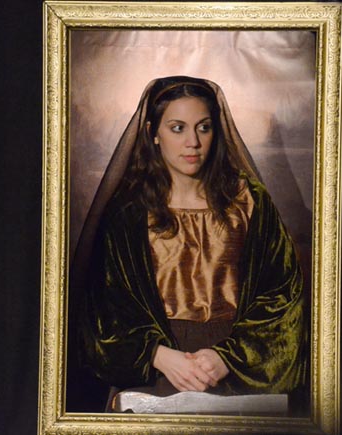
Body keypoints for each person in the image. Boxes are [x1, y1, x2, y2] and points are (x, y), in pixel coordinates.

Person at [71, 76, 307, 407]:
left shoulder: (248, 201)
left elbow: (282, 293)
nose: (192, 142)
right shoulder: (130, 211)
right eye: (178, 128)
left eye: (204, 128)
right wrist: (158, 355)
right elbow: (105, 308)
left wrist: (227, 357)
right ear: (153, 132)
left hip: (232, 365)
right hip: (156, 371)